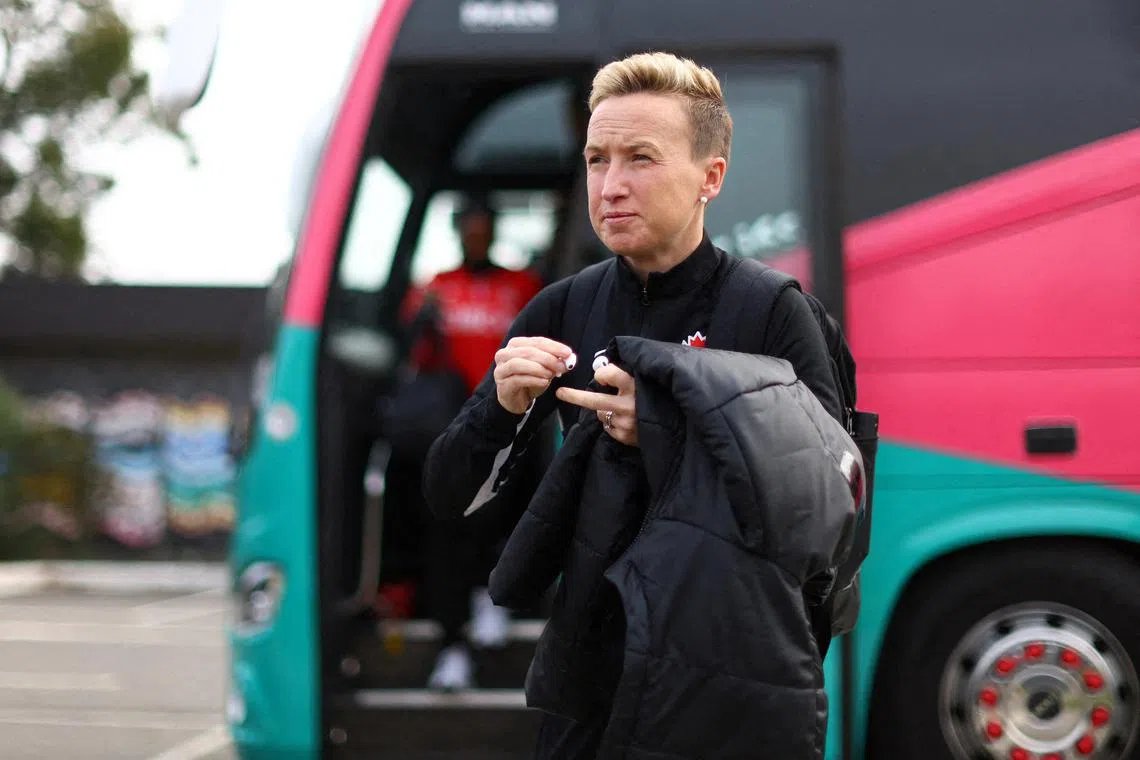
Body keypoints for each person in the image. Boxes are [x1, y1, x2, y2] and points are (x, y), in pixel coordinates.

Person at [423, 52, 843, 758]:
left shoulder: (771, 311)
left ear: (711, 176)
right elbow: (446, 495)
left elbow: (833, 501)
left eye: (640, 159)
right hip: (590, 689)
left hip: (729, 690)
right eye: (596, 159)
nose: (611, 185)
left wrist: (664, 428)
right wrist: (496, 409)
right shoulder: (562, 307)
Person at [399, 194, 545, 690]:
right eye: (469, 226)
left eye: (484, 225)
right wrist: (421, 327)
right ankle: (452, 648)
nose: (476, 234)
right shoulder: (434, 290)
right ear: (459, 231)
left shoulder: (520, 287)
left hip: (513, 422)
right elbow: (412, 359)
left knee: (503, 516)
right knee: (447, 531)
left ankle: (493, 598)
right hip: (450, 430)